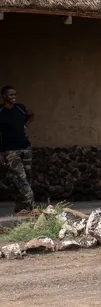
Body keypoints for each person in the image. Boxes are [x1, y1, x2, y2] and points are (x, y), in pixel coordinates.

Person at [0, 85, 35, 213]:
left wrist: (25, 125)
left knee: (28, 177)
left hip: (25, 147)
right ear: (4, 96)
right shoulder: (1, 112)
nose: (14, 97)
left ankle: (20, 206)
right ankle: (33, 207)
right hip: (10, 151)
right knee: (21, 177)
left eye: (15, 94)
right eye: (11, 95)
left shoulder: (21, 108)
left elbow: (31, 115)